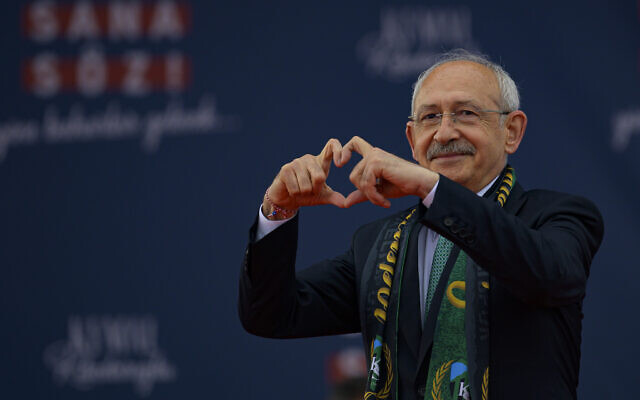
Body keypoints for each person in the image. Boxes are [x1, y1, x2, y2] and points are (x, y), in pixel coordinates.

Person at [238, 50, 604, 400]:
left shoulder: (559, 216)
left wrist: (431, 187)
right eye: (430, 117)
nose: (444, 133)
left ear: (512, 130)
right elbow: (271, 314)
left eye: (465, 113)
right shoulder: (378, 244)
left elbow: (550, 275)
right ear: (412, 141)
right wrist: (278, 210)